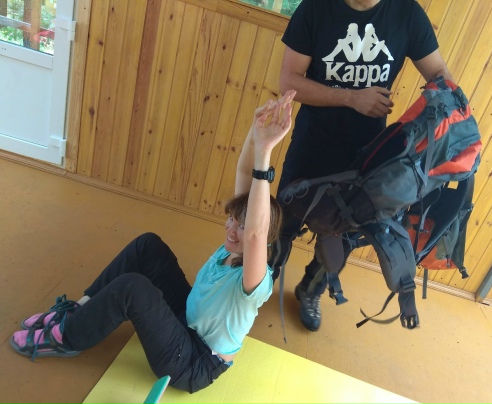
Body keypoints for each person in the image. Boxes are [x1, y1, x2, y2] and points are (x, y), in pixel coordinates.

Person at [11, 90, 296, 393]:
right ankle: (79, 311)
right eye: (232, 220)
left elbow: (254, 233)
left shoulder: (255, 281)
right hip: (186, 319)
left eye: (242, 227)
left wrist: (265, 150)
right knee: (148, 246)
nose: (232, 230)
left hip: (192, 362)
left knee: (132, 288)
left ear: (260, 239)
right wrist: (255, 132)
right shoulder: (234, 245)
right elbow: (243, 173)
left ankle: (65, 337)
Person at [270, 0, 455, 332]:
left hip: (367, 155)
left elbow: (439, 74)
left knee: (343, 235)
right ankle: (262, 277)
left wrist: (453, 112)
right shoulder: (315, 8)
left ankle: (310, 290)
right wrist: (351, 97)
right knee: (283, 219)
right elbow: (288, 81)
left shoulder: (406, 14)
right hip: (312, 143)